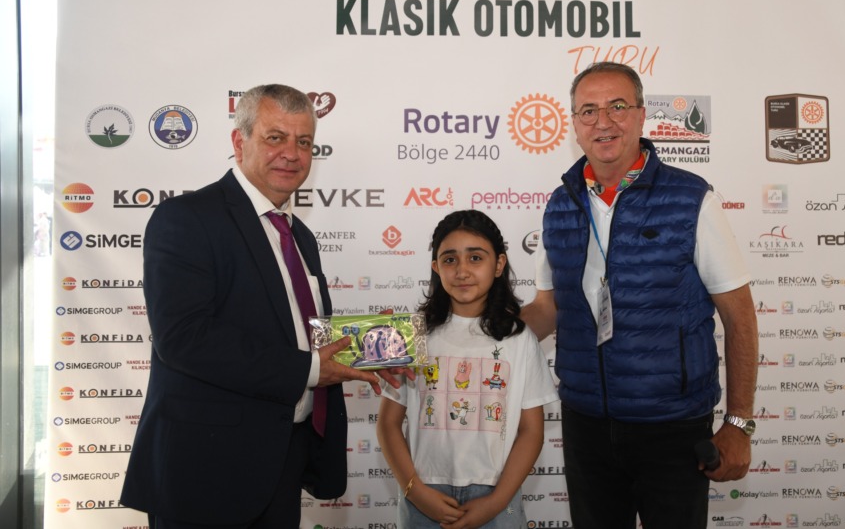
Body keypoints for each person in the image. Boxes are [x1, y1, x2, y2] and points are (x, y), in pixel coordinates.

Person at [120, 84, 406, 528]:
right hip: (205, 471)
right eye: (276, 137)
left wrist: (372, 346)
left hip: (280, 462)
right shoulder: (188, 218)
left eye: (304, 142)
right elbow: (184, 338)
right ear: (240, 142)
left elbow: (294, 332)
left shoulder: (298, 235)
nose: (292, 153)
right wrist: (312, 370)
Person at [521, 62, 759, 529]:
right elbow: (548, 309)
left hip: (672, 425)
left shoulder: (691, 199)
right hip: (586, 421)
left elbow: (740, 318)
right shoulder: (560, 204)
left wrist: (738, 423)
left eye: (617, 106)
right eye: (588, 110)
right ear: (574, 124)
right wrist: (475, 335)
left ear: (641, 114)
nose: (603, 122)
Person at [376, 209, 559, 529]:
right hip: (423, 494)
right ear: (436, 267)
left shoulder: (519, 338)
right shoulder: (413, 335)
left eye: (475, 258)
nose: (462, 271)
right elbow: (388, 424)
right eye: (450, 259)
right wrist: (415, 490)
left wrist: (497, 501)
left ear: (498, 264)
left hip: (497, 496)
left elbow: (531, 432)